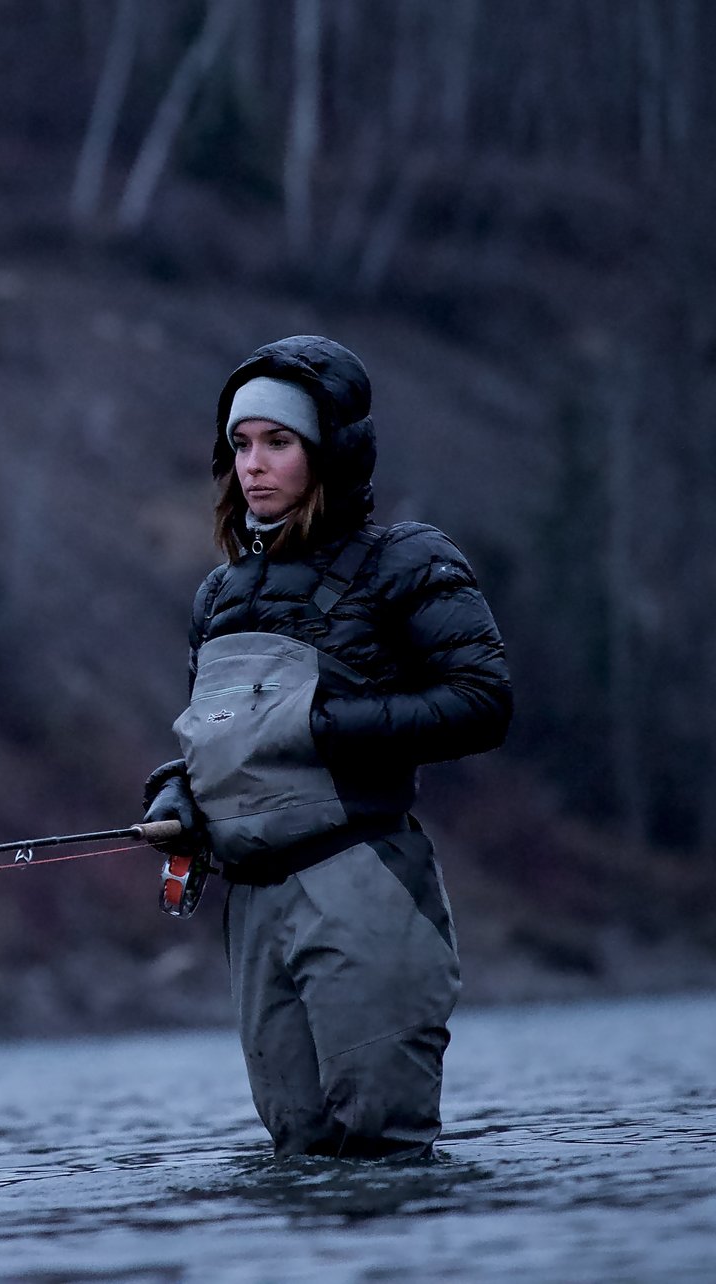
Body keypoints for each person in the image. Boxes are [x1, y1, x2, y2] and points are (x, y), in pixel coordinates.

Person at [141, 334, 511, 1159]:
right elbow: (226, 742)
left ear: (329, 452)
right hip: (256, 906)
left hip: (362, 882)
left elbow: (484, 704)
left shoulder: (407, 562)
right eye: (240, 444)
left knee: (382, 1153)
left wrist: (325, 723)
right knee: (298, 1152)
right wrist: (177, 795)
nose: (254, 465)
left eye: (279, 442)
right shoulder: (218, 596)